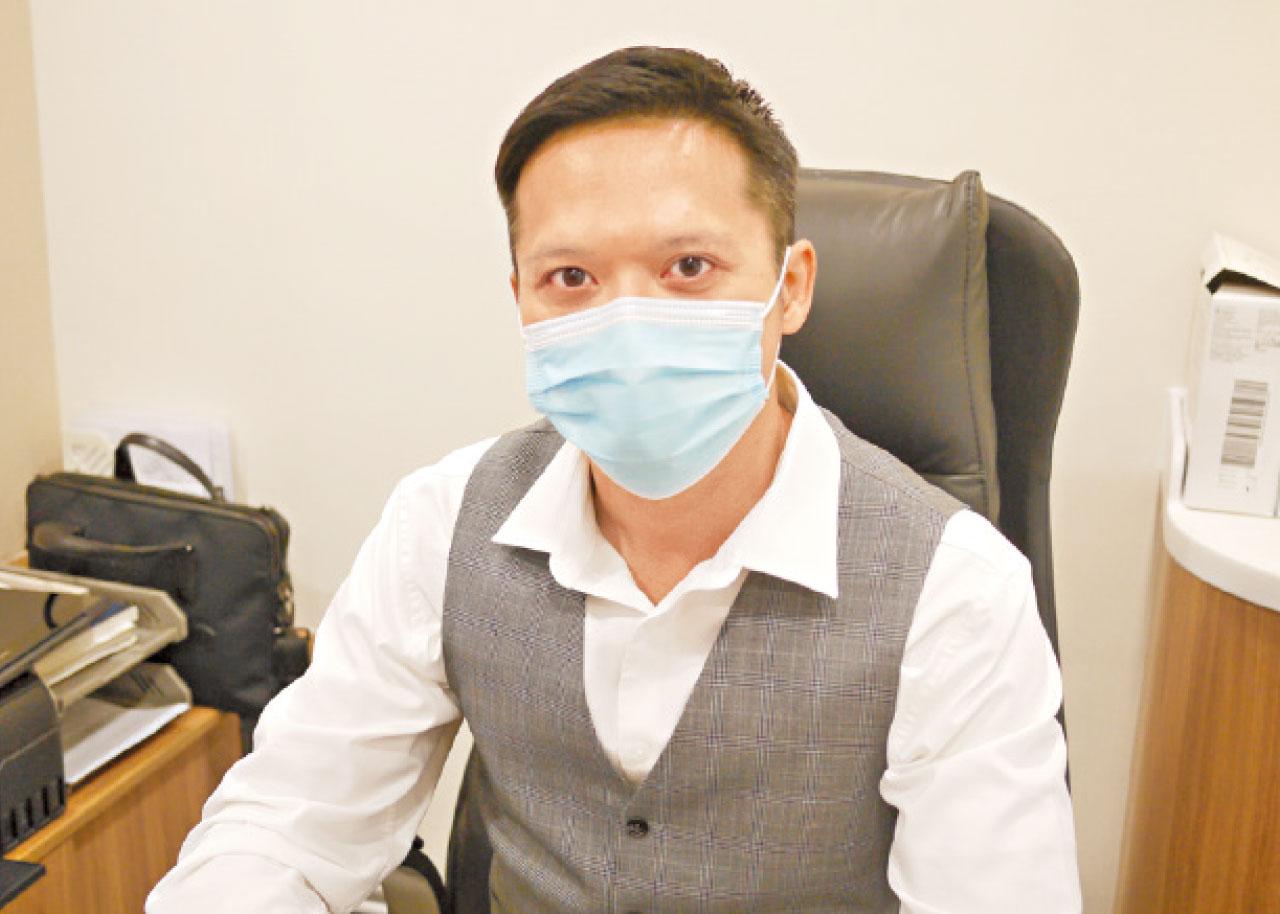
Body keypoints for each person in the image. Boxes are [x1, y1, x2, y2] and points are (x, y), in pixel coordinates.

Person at [147, 46, 1081, 913]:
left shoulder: (956, 592)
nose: (629, 323)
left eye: (689, 266)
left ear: (791, 286)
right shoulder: (442, 522)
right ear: (520, 297)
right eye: (571, 277)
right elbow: (287, 827)